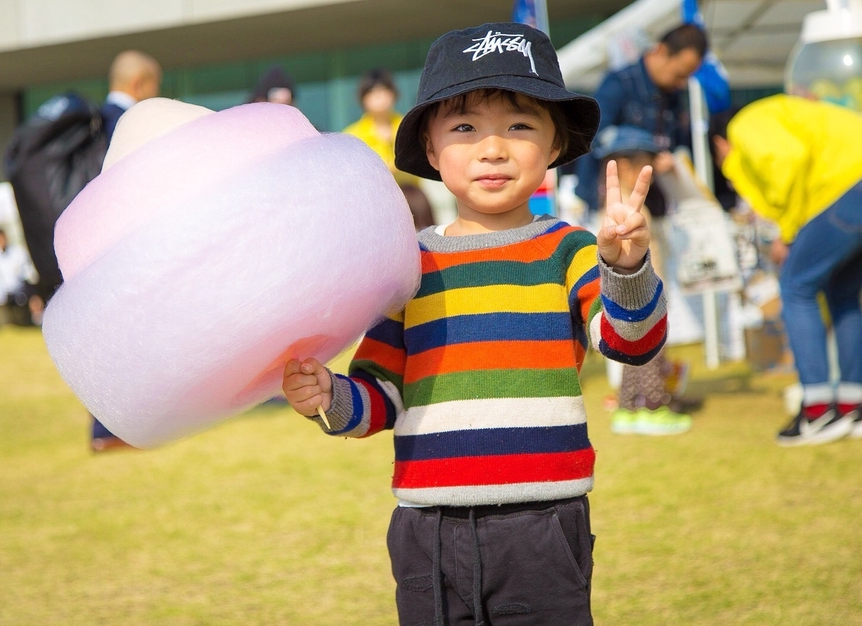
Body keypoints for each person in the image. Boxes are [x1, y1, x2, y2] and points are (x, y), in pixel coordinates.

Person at [282, 23, 667, 625]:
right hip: (425, 531)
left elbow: (631, 343)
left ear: (556, 145)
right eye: (464, 128)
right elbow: (381, 395)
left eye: (519, 126)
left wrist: (626, 266)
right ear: (431, 151)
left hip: (542, 526)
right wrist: (329, 397)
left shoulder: (571, 251)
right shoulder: (404, 266)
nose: (493, 148)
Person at [715, 94, 862, 446]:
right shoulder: (776, 111)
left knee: (796, 287)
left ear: (720, 143)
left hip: (845, 185)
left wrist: (790, 229)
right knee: (842, 294)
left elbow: (788, 158)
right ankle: (852, 404)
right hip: (852, 178)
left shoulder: (743, 125)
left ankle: (817, 411)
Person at [594, 126, 693, 435]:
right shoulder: (628, 206)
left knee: (632, 356)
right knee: (650, 351)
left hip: (632, 295)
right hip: (644, 294)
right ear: (625, 167)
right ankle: (653, 407)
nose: (649, 174)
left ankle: (627, 408)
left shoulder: (617, 203)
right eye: (644, 164)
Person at [90, 50, 162, 452]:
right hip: (123, 249)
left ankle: (108, 430)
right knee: (126, 339)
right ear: (140, 84)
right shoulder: (130, 124)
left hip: (92, 251)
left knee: (109, 338)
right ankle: (111, 430)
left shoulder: (92, 123)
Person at [574, 24, 708, 217]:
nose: (681, 83)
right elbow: (591, 137)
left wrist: (669, 159)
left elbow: (676, 144)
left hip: (653, 206)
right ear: (661, 51)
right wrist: (648, 153)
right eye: (679, 74)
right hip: (608, 203)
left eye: (687, 77)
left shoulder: (673, 95)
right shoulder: (618, 84)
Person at [343, 68, 436, 229]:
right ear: (363, 99)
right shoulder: (352, 136)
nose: (379, 97)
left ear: (393, 94)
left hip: (413, 201)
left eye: (383, 91)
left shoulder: (409, 126)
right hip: (374, 203)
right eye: (372, 92)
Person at [0, 228, 44, 327]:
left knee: (22, 327)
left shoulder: (18, 252)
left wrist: (34, 295)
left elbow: (28, 276)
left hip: (18, 297)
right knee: (3, 327)